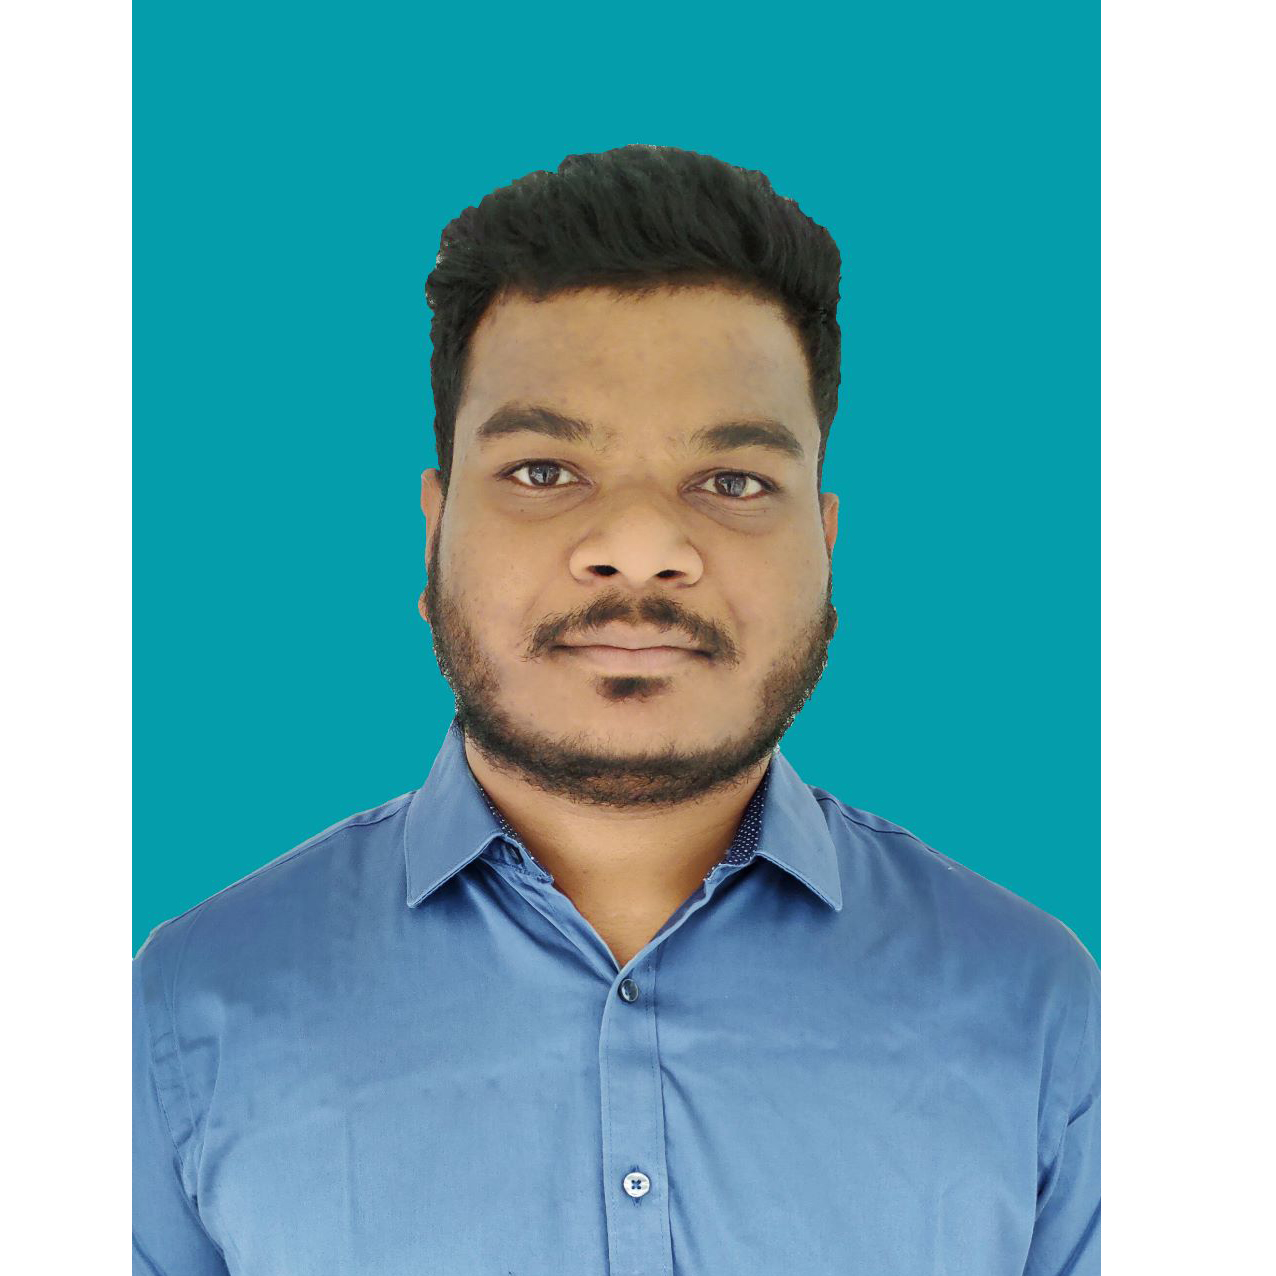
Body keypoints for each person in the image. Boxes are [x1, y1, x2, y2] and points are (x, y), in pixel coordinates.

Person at [133, 144, 1099, 1275]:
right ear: (434, 528)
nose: (640, 548)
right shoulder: (193, 1007)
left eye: (733, 481)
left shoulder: (1034, 1004)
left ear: (825, 542)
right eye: (544, 471)